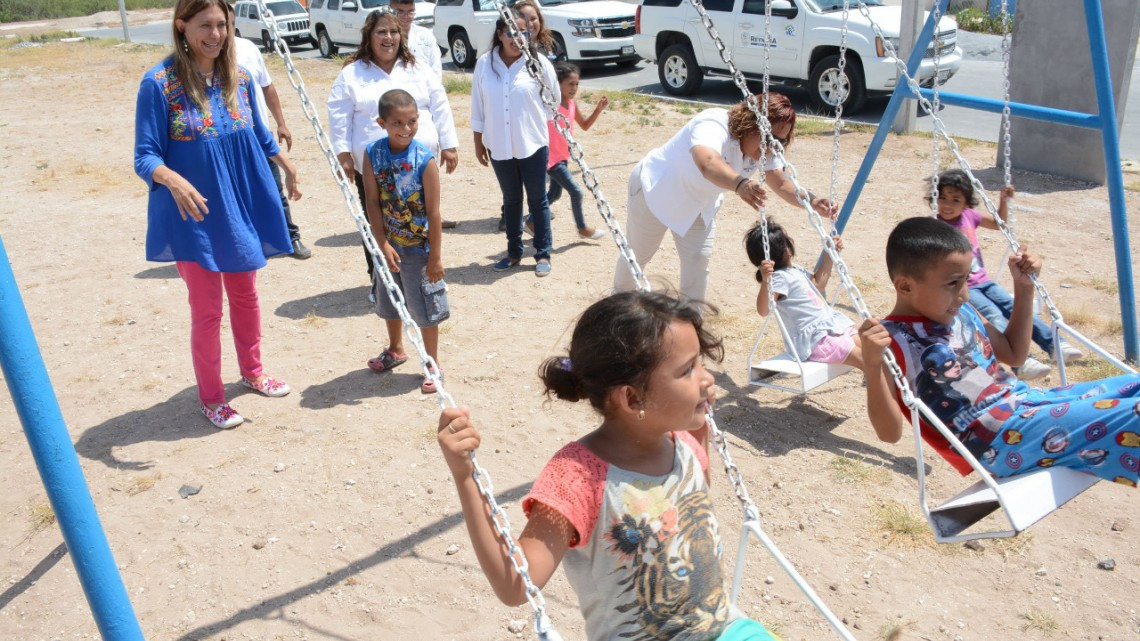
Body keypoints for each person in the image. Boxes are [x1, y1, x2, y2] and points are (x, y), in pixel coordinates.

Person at [437, 291, 780, 640]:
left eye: (700, 363)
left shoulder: (685, 441)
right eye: (688, 370)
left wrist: (698, 420)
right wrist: (466, 475)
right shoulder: (579, 478)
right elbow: (515, 585)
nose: (707, 379)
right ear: (632, 398)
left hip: (724, 628)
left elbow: (695, 499)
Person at [859, 217, 1140, 488]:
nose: (965, 294)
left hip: (1031, 405)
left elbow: (1015, 354)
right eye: (953, 284)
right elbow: (889, 434)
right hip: (1001, 440)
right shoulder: (890, 341)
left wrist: (1024, 286)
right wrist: (872, 366)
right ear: (906, 286)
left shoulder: (963, 311)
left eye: (966, 281)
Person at [134, 0, 301, 429]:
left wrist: (284, 162)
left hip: (238, 205)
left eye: (222, 25)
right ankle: (212, 398)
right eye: (205, 25)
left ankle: (253, 371)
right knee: (207, 310)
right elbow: (145, 157)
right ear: (182, 26)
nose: (216, 34)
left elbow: (258, 134)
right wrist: (172, 178)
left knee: (246, 294)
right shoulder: (159, 84)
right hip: (193, 215)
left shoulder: (239, 79)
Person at [613, 92, 836, 304]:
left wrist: (812, 201)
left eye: (780, 142)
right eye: (769, 138)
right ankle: (616, 304)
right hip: (658, 191)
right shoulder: (714, 123)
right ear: (751, 123)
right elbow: (707, 162)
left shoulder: (763, 149)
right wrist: (740, 184)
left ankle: (692, 324)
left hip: (699, 206)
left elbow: (780, 181)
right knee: (637, 256)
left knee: (697, 264)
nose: (772, 147)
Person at [328, 9, 459, 291]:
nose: (388, 38)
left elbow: (440, 104)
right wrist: (343, 154)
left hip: (417, 167)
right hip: (374, 169)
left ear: (402, 35)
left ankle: (421, 277)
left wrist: (449, 144)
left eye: (394, 32)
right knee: (376, 220)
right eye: (381, 32)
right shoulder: (353, 73)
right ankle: (382, 281)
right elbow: (338, 113)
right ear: (369, 36)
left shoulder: (417, 68)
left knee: (419, 222)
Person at [929, 169, 1083, 381]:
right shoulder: (933, 226)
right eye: (942, 198)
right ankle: (1023, 362)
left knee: (1015, 308)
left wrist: (1003, 201)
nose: (947, 205)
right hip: (964, 288)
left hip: (985, 281)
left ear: (966, 203)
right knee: (993, 315)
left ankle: (1055, 345)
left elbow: (998, 223)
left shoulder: (969, 216)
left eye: (955, 199)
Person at [361, 89, 449, 394]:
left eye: (412, 121)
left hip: (419, 248)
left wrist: (435, 258)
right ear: (382, 122)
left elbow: (435, 213)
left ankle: (432, 362)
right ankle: (396, 349)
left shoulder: (424, 160)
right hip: (389, 245)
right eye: (397, 122)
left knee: (425, 304)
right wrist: (381, 244)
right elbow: (372, 201)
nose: (406, 128)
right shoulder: (373, 153)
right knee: (389, 298)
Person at [471, 11, 559, 277]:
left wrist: (531, 123)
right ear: (499, 34)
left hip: (532, 145)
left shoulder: (539, 64)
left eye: (522, 32)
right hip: (499, 146)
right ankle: (513, 252)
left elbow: (553, 102)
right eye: (510, 33)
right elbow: (478, 106)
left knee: (538, 200)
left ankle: (543, 253)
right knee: (511, 200)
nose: (516, 39)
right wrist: (478, 142)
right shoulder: (485, 64)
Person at [232, 30, 312, 259]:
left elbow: (267, 86)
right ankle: (245, 243)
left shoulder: (247, 48)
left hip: (259, 136)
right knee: (237, 194)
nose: (218, 30)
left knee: (273, 189)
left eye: (224, 22)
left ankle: (290, 238)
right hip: (230, 141)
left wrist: (281, 123)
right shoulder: (206, 59)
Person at [745, 220, 864, 369]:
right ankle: (880, 381)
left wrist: (830, 252)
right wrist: (765, 281)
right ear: (788, 250)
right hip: (815, 341)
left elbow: (818, 283)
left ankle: (882, 376)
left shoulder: (795, 270)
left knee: (871, 348)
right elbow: (763, 310)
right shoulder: (777, 278)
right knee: (867, 360)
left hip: (831, 328)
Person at [533, 61, 607, 240]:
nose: (574, 88)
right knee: (576, 191)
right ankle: (582, 228)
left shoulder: (572, 105)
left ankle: (530, 222)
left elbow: (585, 125)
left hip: (563, 157)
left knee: (554, 194)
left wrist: (598, 110)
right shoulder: (550, 106)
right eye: (570, 84)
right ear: (558, 84)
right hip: (551, 159)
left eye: (577, 84)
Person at [390, 0, 442, 79]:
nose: (406, 16)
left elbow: (436, 67)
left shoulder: (426, 35)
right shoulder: (386, 40)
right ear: (391, 11)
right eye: (400, 12)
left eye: (410, 12)